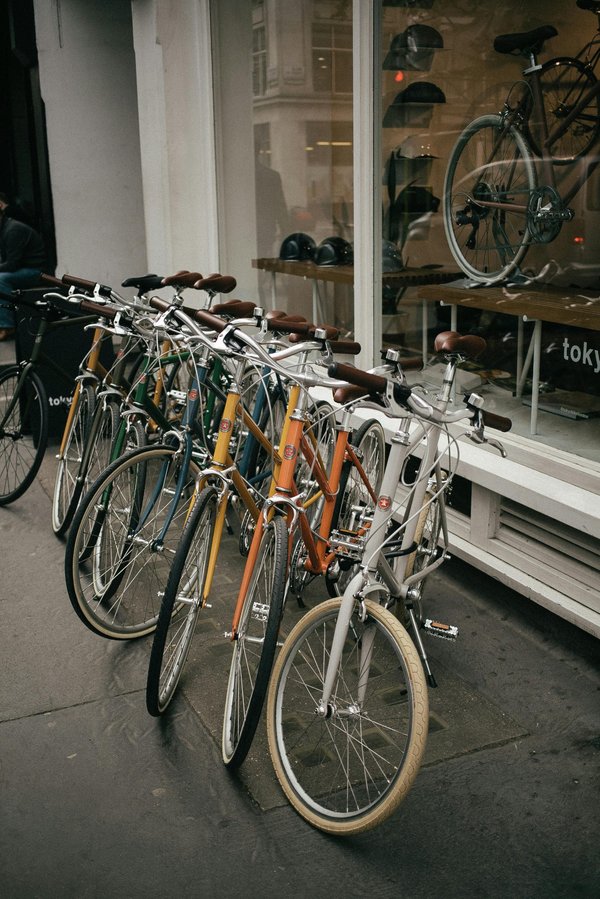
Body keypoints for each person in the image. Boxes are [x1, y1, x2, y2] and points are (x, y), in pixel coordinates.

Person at [0, 192, 46, 341]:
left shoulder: (13, 230)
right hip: (23, 268)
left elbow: (12, 264)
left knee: (1, 279)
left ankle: (7, 325)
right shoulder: (6, 228)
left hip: (34, 271)